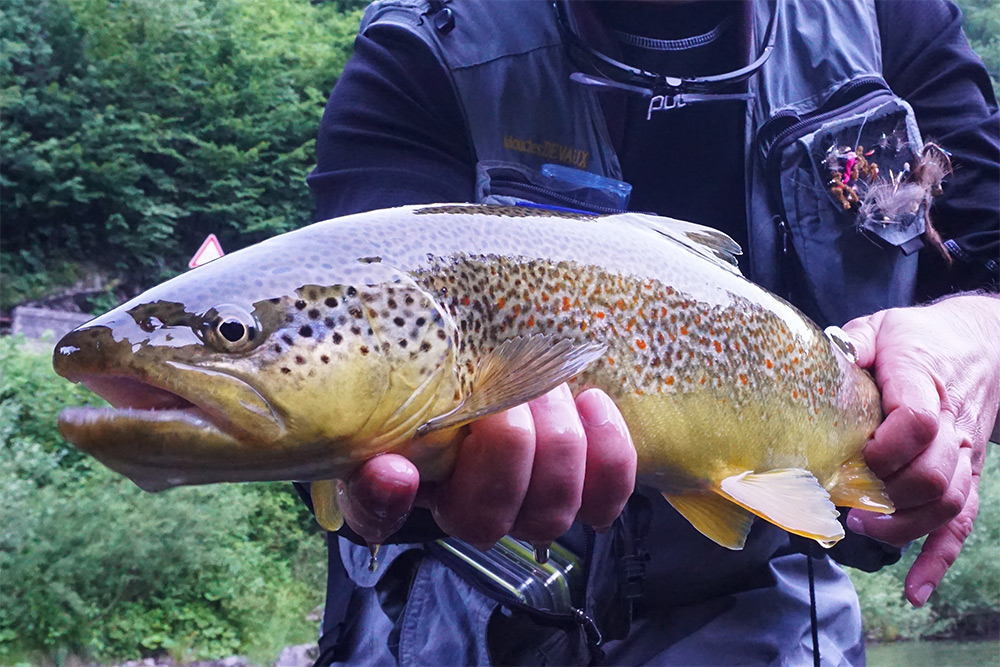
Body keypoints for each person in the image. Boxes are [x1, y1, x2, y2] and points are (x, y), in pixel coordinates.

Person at [304, 0, 1000, 664]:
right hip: (459, 594)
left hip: (764, 595)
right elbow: (346, 358)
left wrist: (975, 332)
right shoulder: (424, 43)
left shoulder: (891, 19)